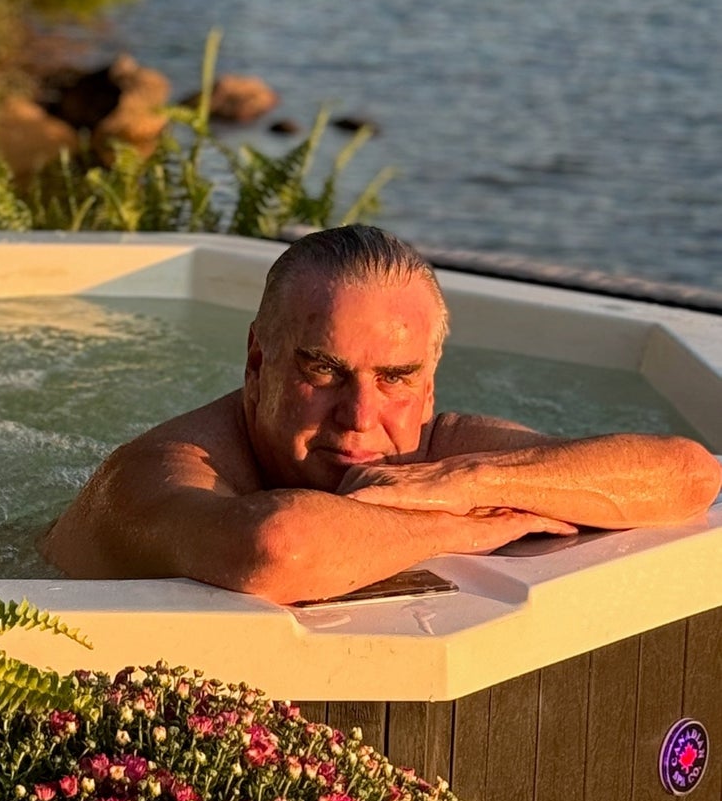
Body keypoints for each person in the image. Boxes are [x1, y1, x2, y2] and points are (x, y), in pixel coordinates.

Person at [40, 225, 721, 605]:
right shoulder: (162, 469)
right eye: (324, 371)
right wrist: (459, 525)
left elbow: (687, 475)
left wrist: (470, 481)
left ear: (429, 385)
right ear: (256, 362)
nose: (361, 414)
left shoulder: (437, 458)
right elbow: (275, 548)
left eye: (396, 377)